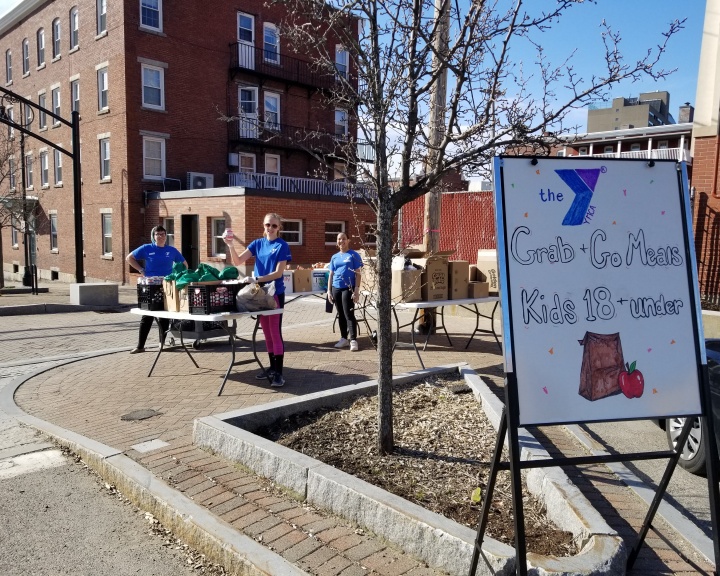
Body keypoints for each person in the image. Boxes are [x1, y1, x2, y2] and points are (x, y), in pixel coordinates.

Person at [224, 212, 291, 387]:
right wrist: (230, 245)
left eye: (274, 226)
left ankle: (279, 373)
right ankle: (271, 367)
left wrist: (256, 279)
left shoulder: (282, 245)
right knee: (266, 333)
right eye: (268, 225)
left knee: (275, 333)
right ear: (264, 226)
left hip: (274, 293)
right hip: (258, 293)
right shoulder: (257, 244)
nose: (270, 228)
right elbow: (238, 261)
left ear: (279, 228)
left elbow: (278, 273)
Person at [126, 225, 187, 354]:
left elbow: (184, 264)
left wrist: (179, 276)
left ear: (166, 236)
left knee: (163, 316)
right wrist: (141, 270)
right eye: (157, 234)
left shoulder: (172, 250)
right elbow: (129, 258)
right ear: (153, 236)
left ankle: (162, 343)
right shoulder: (147, 248)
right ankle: (140, 346)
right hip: (151, 287)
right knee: (147, 316)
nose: (160, 236)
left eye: (163, 234)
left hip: (166, 286)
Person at [327, 232, 363, 352]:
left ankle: (353, 340)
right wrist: (329, 291)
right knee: (340, 314)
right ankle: (343, 338)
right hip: (336, 287)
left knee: (348, 313)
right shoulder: (334, 257)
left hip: (349, 287)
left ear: (348, 240)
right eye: (339, 239)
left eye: (343, 239)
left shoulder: (354, 255)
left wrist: (357, 289)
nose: (341, 241)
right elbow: (331, 274)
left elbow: (358, 273)